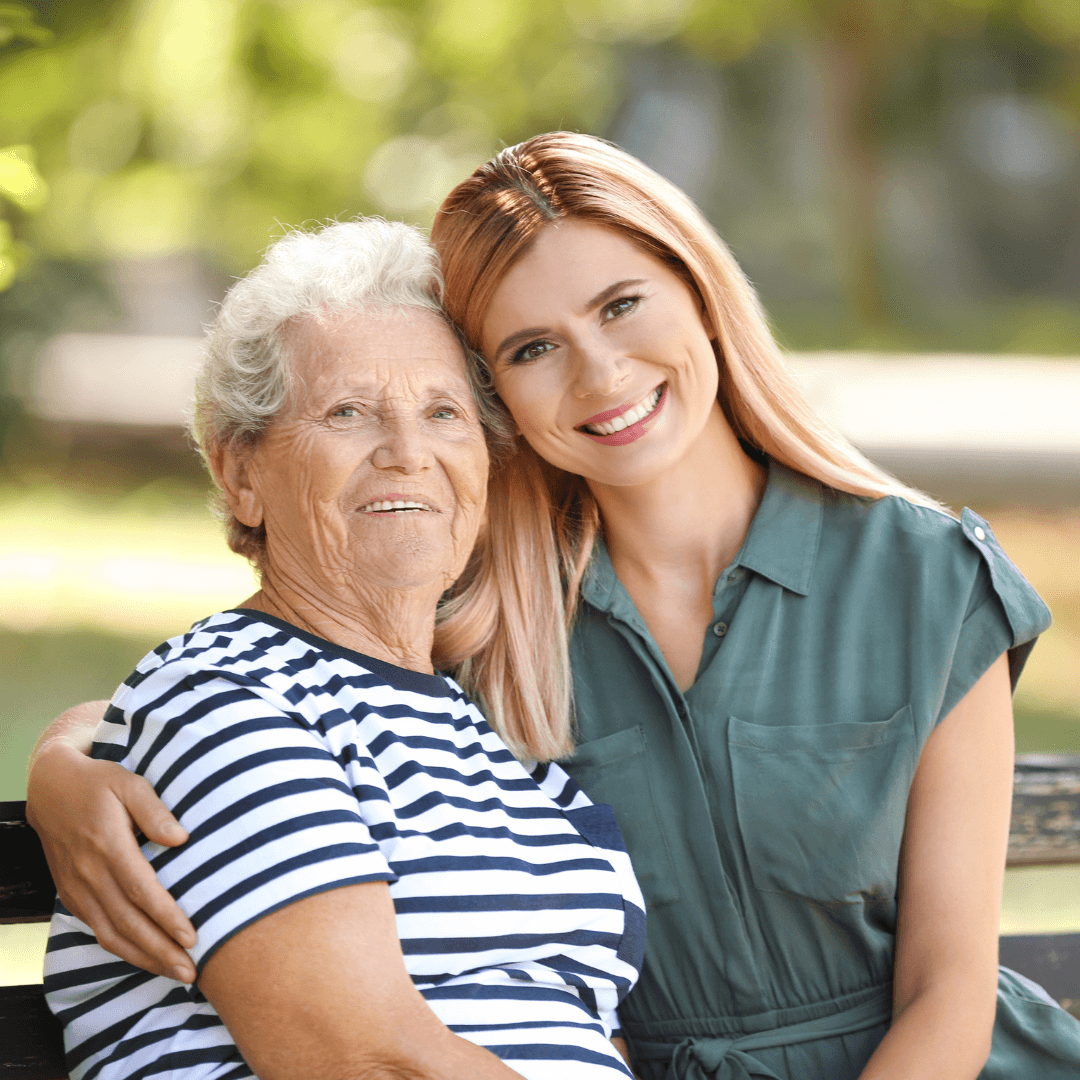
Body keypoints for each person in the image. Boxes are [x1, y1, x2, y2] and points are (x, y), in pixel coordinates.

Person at [28, 133, 1080, 1079]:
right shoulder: (492, 618)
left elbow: (951, 990)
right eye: (531, 349)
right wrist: (69, 763)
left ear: (699, 289)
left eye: (622, 304)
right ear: (502, 401)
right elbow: (260, 684)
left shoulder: (923, 575)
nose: (600, 371)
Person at [35, 216, 645, 1080]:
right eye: (349, 413)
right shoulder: (227, 703)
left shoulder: (488, 739)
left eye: (444, 413)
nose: (408, 454)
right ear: (240, 473)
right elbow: (361, 1059)